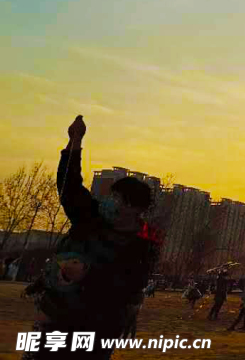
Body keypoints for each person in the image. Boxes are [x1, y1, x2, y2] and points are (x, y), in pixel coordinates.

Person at [24, 115, 161, 359]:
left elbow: (133, 287)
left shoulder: (142, 245)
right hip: (54, 320)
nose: (111, 203)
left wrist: (129, 312)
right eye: (112, 196)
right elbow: (69, 186)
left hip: (97, 331)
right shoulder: (90, 217)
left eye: (119, 201)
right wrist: (74, 143)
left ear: (135, 209)